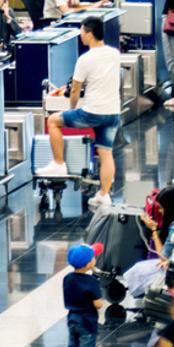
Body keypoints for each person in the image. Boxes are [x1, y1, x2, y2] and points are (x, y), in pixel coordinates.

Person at [41, 16, 123, 207]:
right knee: (106, 152)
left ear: (90, 34)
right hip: (113, 112)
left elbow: (75, 90)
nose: (81, 35)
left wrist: (72, 108)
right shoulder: (114, 53)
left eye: (82, 32)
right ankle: (104, 194)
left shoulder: (84, 59)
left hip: (92, 112)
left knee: (53, 120)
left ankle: (59, 164)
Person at [62, 241, 105, 347]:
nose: (95, 258)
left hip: (72, 319)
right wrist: (101, 302)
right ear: (88, 264)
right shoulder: (91, 281)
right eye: (93, 257)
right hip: (87, 322)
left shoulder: (67, 278)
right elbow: (97, 304)